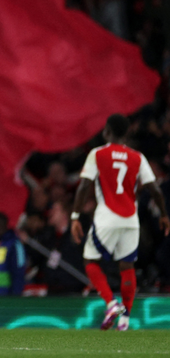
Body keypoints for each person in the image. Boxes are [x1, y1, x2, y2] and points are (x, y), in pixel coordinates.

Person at [71, 113, 170, 331]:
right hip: (130, 219)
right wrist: (164, 214)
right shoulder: (137, 157)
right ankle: (125, 320)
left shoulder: (97, 154)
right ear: (126, 133)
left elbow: (84, 186)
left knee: (90, 260)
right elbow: (154, 189)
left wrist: (75, 216)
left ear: (107, 131)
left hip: (107, 216)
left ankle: (111, 303)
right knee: (127, 266)